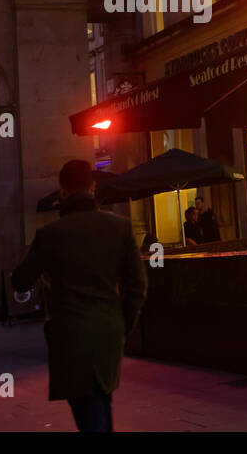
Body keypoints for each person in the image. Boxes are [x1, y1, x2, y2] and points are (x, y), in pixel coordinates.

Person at [12, 159, 147, 433]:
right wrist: (123, 324)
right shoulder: (120, 228)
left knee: (90, 412)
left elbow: (20, 280)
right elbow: (137, 285)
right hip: (109, 330)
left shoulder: (50, 234)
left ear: (62, 190)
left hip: (70, 334)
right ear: (92, 186)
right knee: (101, 402)